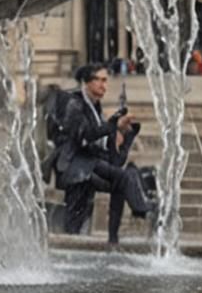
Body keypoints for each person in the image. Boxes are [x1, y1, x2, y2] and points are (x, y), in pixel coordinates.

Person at [53, 63, 154, 246]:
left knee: (121, 180)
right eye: (98, 80)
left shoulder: (95, 107)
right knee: (119, 178)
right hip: (74, 164)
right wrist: (112, 125)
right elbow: (83, 136)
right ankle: (141, 207)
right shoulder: (74, 102)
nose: (103, 85)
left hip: (89, 162)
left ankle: (113, 239)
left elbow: (105, 147)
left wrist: (122, 134)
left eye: (105, 80)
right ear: (86, 82)